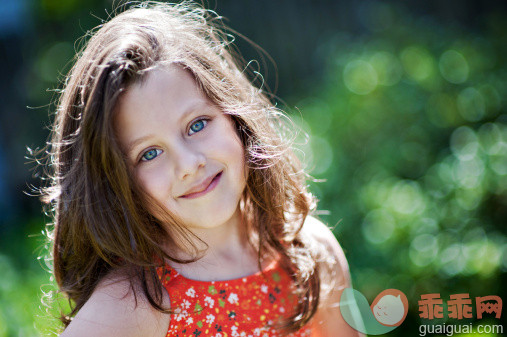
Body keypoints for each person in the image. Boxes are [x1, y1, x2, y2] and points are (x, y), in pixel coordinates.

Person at [41, 1, 361, 336]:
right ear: (117, 184)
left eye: (197, 125)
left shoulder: (310, 254)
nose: (189, 164)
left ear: (235, 116)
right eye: (149, 153)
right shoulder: (135, 304)